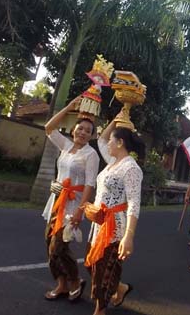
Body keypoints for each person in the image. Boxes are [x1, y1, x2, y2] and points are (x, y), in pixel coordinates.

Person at [84, 119, 145, 315]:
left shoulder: (131, 168)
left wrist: (129, 236)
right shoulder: (112, 163)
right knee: (92, 264)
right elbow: (101, 139)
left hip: (115, 227)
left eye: (112, 140)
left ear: (120, 142)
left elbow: (134, 203)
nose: (108, 143)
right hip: (99, 223)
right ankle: (120, 288)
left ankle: (100, 310)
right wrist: (116, 120)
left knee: (104, 271)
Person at [42, 96, 99, 302]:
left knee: (59, 246)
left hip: (73, 204)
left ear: (92, 136)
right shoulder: (65, 146)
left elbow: (90, 184)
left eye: (87, 131)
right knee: (49, 242)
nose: (83, 132)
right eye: (80, 128)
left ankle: (75, 280)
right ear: (73, 129)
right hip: (56, 201)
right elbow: (49, 128)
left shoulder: (91, 154)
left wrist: (80, 211)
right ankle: (61, 284)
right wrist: (68, 107)